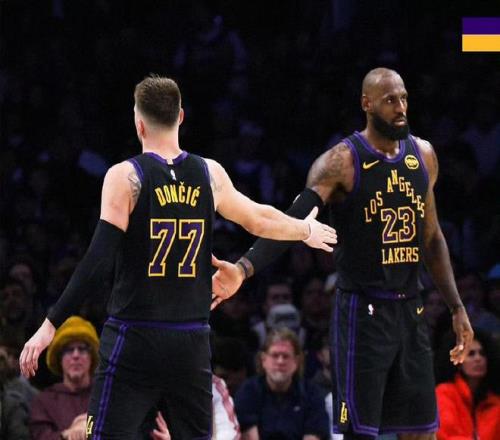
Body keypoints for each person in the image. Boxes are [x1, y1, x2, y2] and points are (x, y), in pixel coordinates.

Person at [19, 74, 337, 439]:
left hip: (134, 337)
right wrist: (305, 230)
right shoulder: (209, 173)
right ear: (181, 117)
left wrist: (50, 323)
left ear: (138, 123)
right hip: (190, 340)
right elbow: (259, 218)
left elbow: (98, 259)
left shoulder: (125, 176)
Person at [211, 67, 474, 439]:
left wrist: (456, 306)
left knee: (421, 432)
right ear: (367, 104)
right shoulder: (340, 162)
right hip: (362, 314)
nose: (401, 108)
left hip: (410, 309)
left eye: (404, 99)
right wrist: (243, 268)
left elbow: (431, 239)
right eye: (390, 100)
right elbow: (293, 220)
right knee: (360, 433)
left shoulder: (424, 155)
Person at [234, 328, 330, 440]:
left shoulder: (312, 393)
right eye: (275, 355)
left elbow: (313, 436)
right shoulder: (248, 391)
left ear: (296, 361)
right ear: (263, 360)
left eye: (286, 356)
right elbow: (250, 437)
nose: (280, 361)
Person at [30, 316, 99, 440]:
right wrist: (68, 434)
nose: (76, 355)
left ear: (91, 356)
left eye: (82, 349)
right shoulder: (44, 401)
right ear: (59, 358)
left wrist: (89, 425)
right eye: (69, 350)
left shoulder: (105, 395)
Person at [434, 329, 500, 440]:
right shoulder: (444, 393)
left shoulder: (495, 401)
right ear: (458, 362)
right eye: (471, 354)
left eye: (482, 353)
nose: (478, 358)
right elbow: (445, 435)